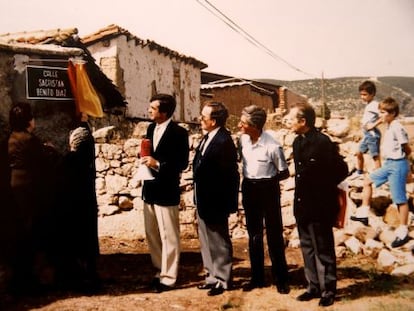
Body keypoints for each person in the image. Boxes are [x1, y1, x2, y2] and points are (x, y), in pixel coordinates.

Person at [286, 102, 338, 307]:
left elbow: (338, 170)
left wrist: (324, 196)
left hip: (320, 206)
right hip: (303, 205)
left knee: (323, 249)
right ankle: (313, 286)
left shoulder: (323, 143)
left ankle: (328, 290)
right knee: (307, 247)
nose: (288, 122)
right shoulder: (298, 143)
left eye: (292, 118)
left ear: (303, 121)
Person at [7, 102, 59, 294]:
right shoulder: (30, 140)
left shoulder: (9, 139)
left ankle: (17, 276)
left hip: (13, 185)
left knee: (18, 232)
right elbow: (42, 163)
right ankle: (28, 277)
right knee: (31, 232)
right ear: (29, 121)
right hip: (29, 187)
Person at [237, 105, 290, 294]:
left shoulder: (272, 146)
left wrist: (268, 184)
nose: (239, 125)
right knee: (254, 235)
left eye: (243, 123)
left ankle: (281, 278)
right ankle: (257, 277)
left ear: (254, 126)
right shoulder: (242, 140)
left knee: (274, 234)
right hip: (249, 188)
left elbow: (284, 172)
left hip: (268, 189)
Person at [141, 93, 189, 293]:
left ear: (164, 112)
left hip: (166, 190)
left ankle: (169, 278)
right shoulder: (151, 128)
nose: (149, 111)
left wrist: (158, 164)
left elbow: (182, 163)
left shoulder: (179, 133)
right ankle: (159, 270)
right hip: (150, 188)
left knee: (169, 235)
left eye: (153, 108)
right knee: (152, 233)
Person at [193, 101, 240, 296]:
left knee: (219, 240)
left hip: (215, 201)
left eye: (203, 117)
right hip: (203, 199)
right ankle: (211, 275)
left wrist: (227, 203)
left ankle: (223, 278)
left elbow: (230, 176)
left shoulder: (223, 141)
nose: (200, 120)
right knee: (206, 239)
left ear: (213, 121)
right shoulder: (208, 139)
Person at [354, 97, 411, 247]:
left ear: (392, 113)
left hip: (398, 164)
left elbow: (407, 148)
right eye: (380, 112)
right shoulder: (389, 126)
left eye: (384, 112)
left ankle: (403, 229)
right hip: (389, 164)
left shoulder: (397, 127)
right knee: (367, 181)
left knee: (399, 198)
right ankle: (364, 212)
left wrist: (407, 166)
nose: (381, 116)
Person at [53, 113, 100, 293]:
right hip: (87, 205)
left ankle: (78, 278)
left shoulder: (70, 160)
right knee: (87, 244)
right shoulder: (87, 160)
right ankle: (90, 277)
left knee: (76, 243)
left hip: (74, 207)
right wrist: (83, 121)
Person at [349, 80, 382, 181]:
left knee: (375, 156)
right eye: (361, 94)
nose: (362, 97)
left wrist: (373, 125)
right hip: (367, 135)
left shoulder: (375, 104)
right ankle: (359, 172)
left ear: (372, 94)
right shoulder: (369, 104)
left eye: (365, 94)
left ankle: (380, 177)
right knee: (359, 153)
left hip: (372, 135)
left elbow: (383, 116)